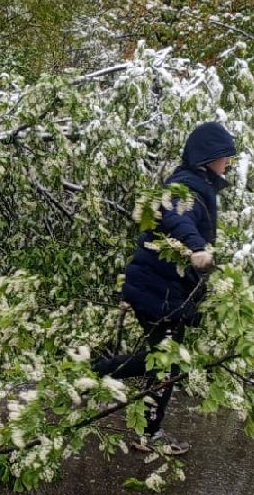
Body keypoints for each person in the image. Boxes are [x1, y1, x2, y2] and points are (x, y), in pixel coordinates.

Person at [92, 121, 236, 456]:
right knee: (167, 362)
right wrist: (197, 248)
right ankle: (144, 429)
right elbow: (176, 218)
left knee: (165, 361)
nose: (227, 163)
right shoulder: (184, 187)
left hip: (165, 288)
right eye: (224, 156)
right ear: (208, 156)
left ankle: (102, 375)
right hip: (159, 291)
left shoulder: (198, 184)